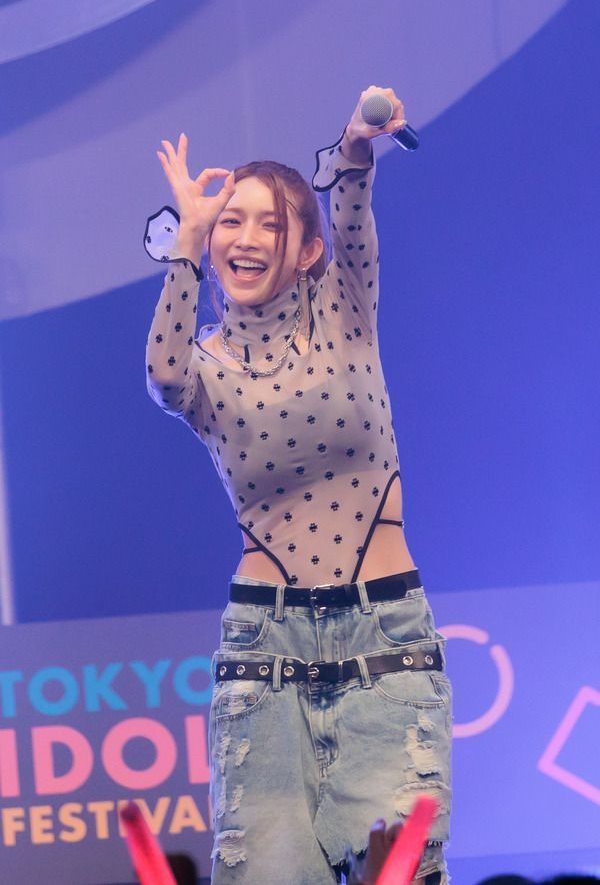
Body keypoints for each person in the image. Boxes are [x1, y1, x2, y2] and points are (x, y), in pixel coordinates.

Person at [144, 86, 452, 885]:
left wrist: (355, 145)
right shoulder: (207, 365)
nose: (245, 239)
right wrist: (185, 246)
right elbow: (164, 377)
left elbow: (350, 204)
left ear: (308, 248)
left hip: (384, 641)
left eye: (270, 223)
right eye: (230, 221)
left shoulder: (346, 309)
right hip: (264, 653)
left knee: (400, 874)